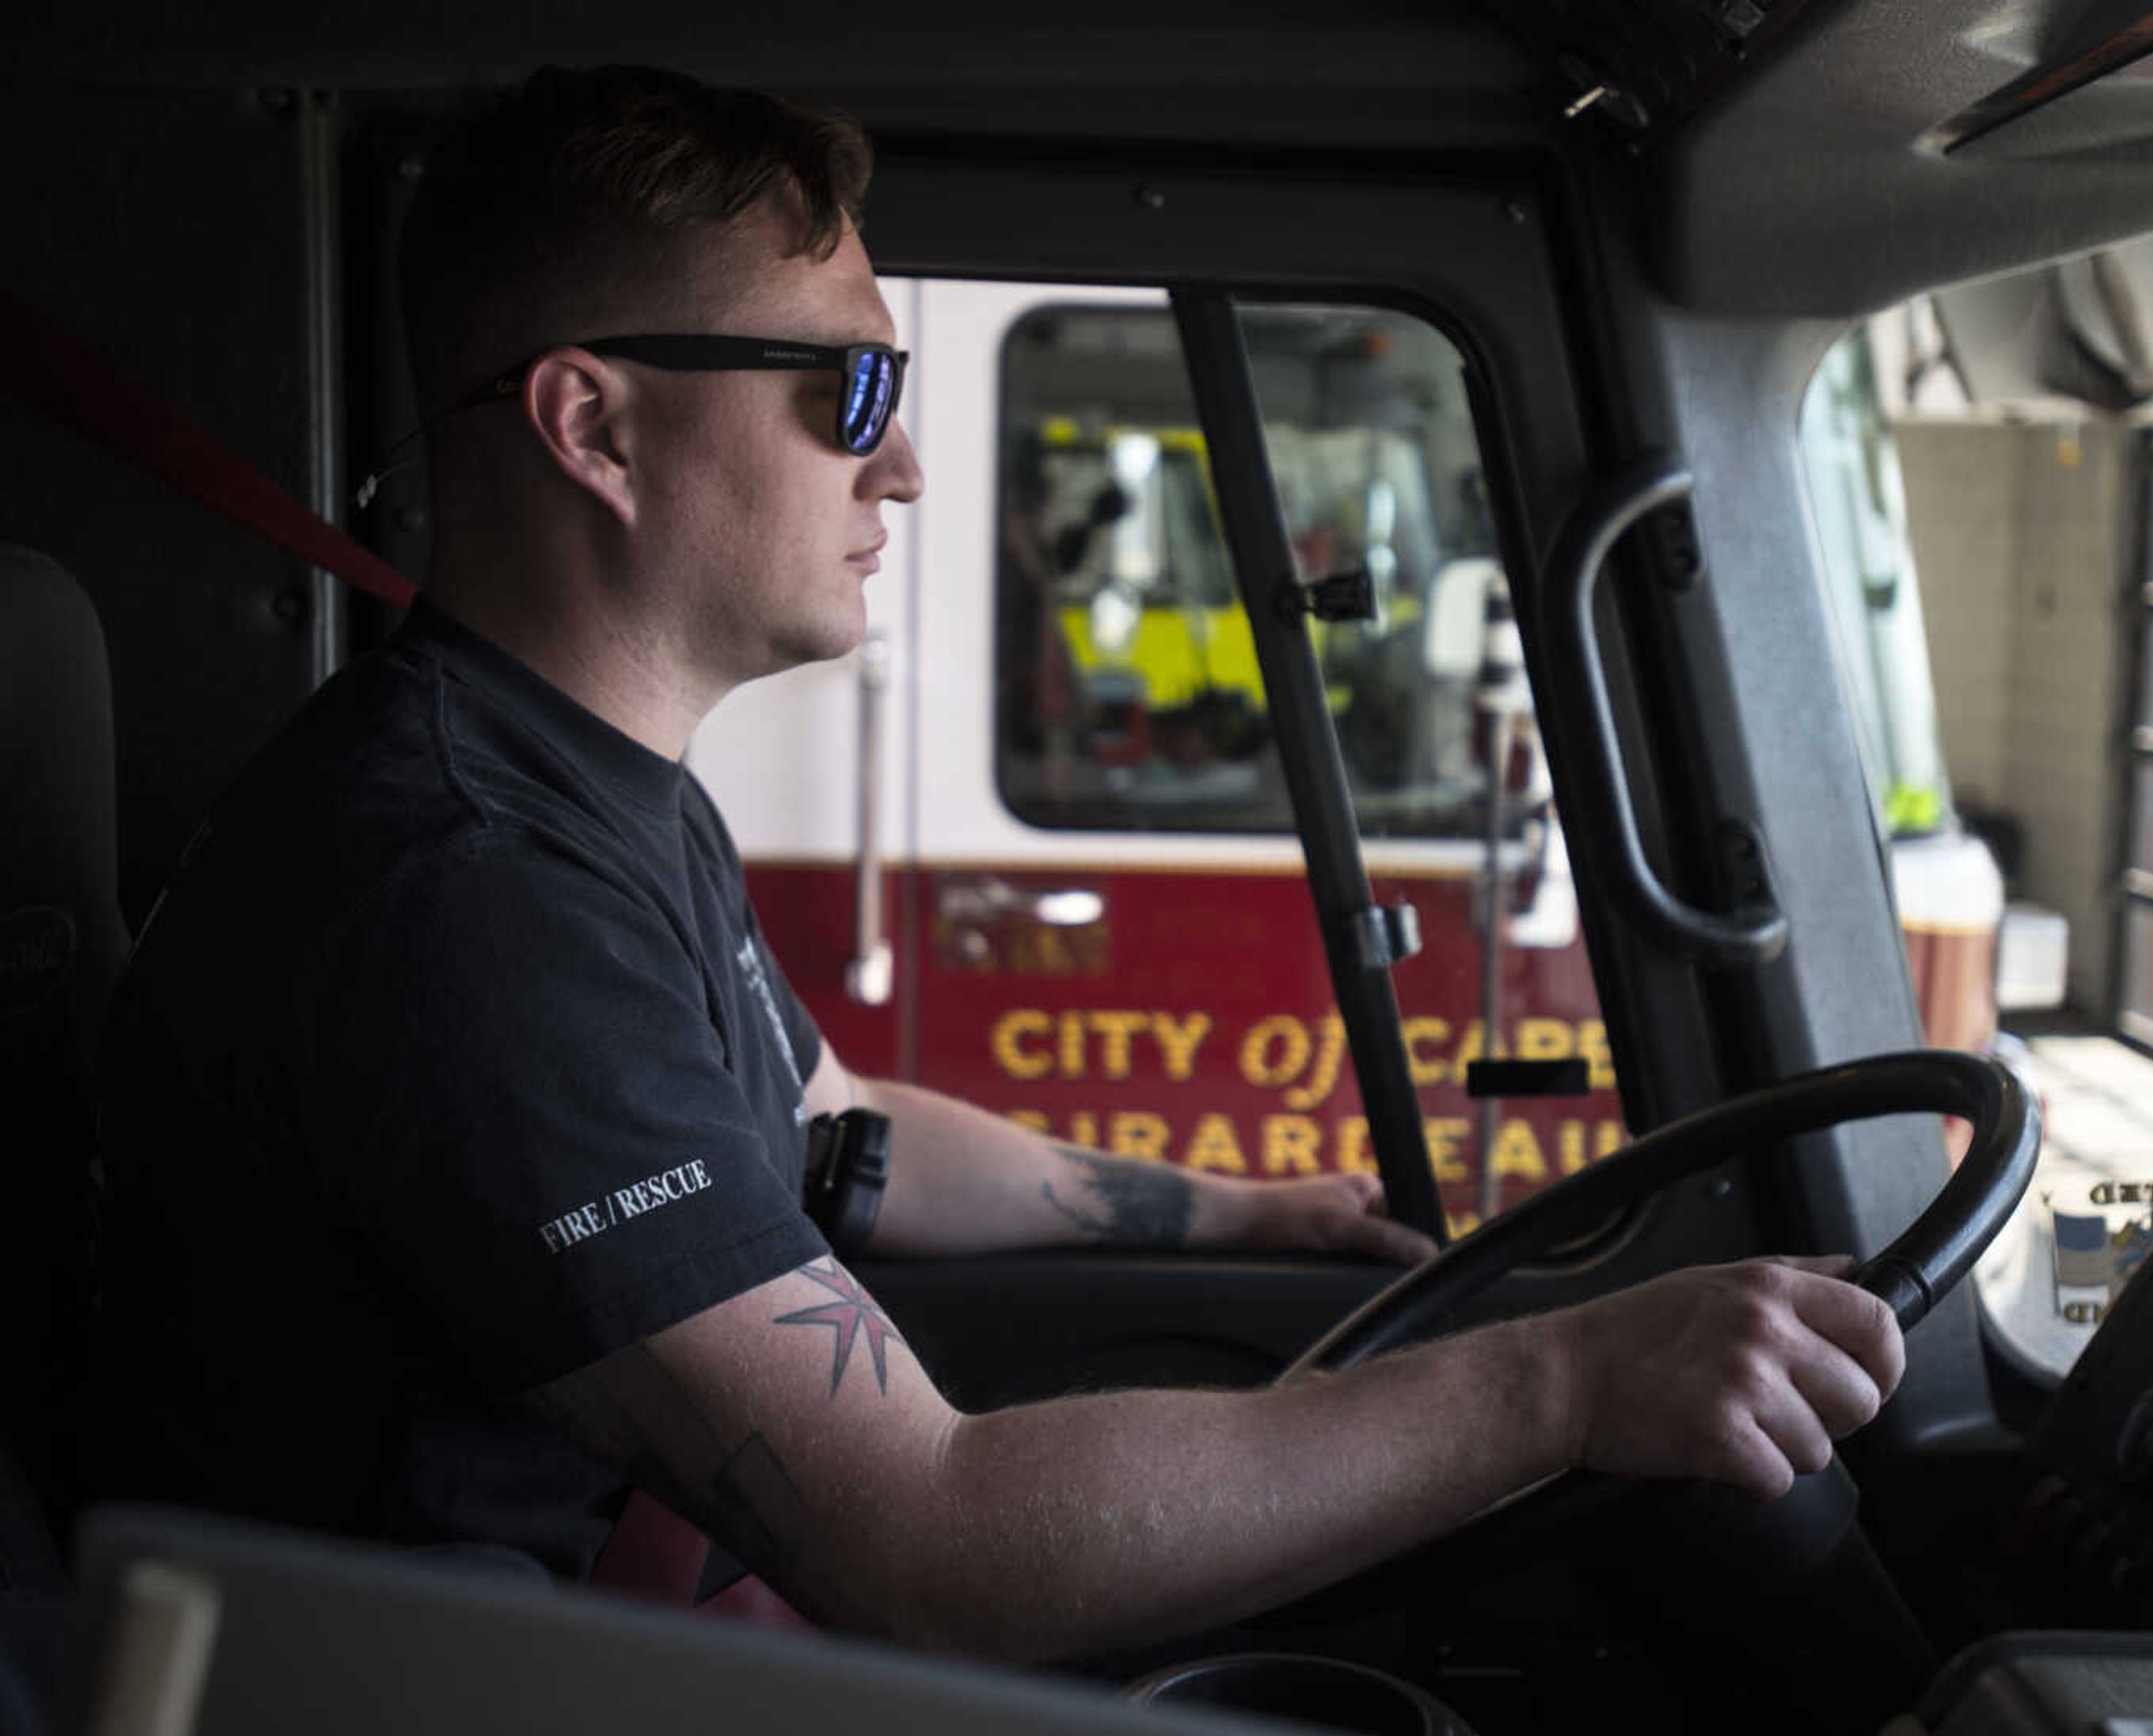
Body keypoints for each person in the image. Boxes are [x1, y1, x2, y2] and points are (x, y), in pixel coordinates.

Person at [82, 64, 1904, 1661]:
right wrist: (1562, 1379)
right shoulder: (468, 890)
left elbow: (839, 1124)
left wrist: (1247, 1214)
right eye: (854, 391)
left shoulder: (585, 791)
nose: (907, 470)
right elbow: (932, 1543)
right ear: (593, 425)